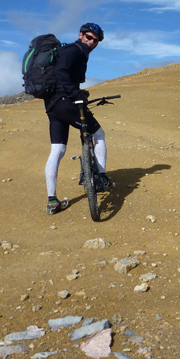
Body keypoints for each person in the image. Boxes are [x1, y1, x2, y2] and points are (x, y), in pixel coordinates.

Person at [43, 23, 114, 215]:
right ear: (80, 35)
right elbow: (61, 72)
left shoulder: (73, 51)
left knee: (57, 149)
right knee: (98, 134)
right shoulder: (74, 50)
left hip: (53, 105)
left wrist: (77, 90)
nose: (92, 42)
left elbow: (63, 75)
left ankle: (52, 201)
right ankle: (101, 177)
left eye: (96, 40)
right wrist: (76, 94)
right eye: (89, 38)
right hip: (67, 102)